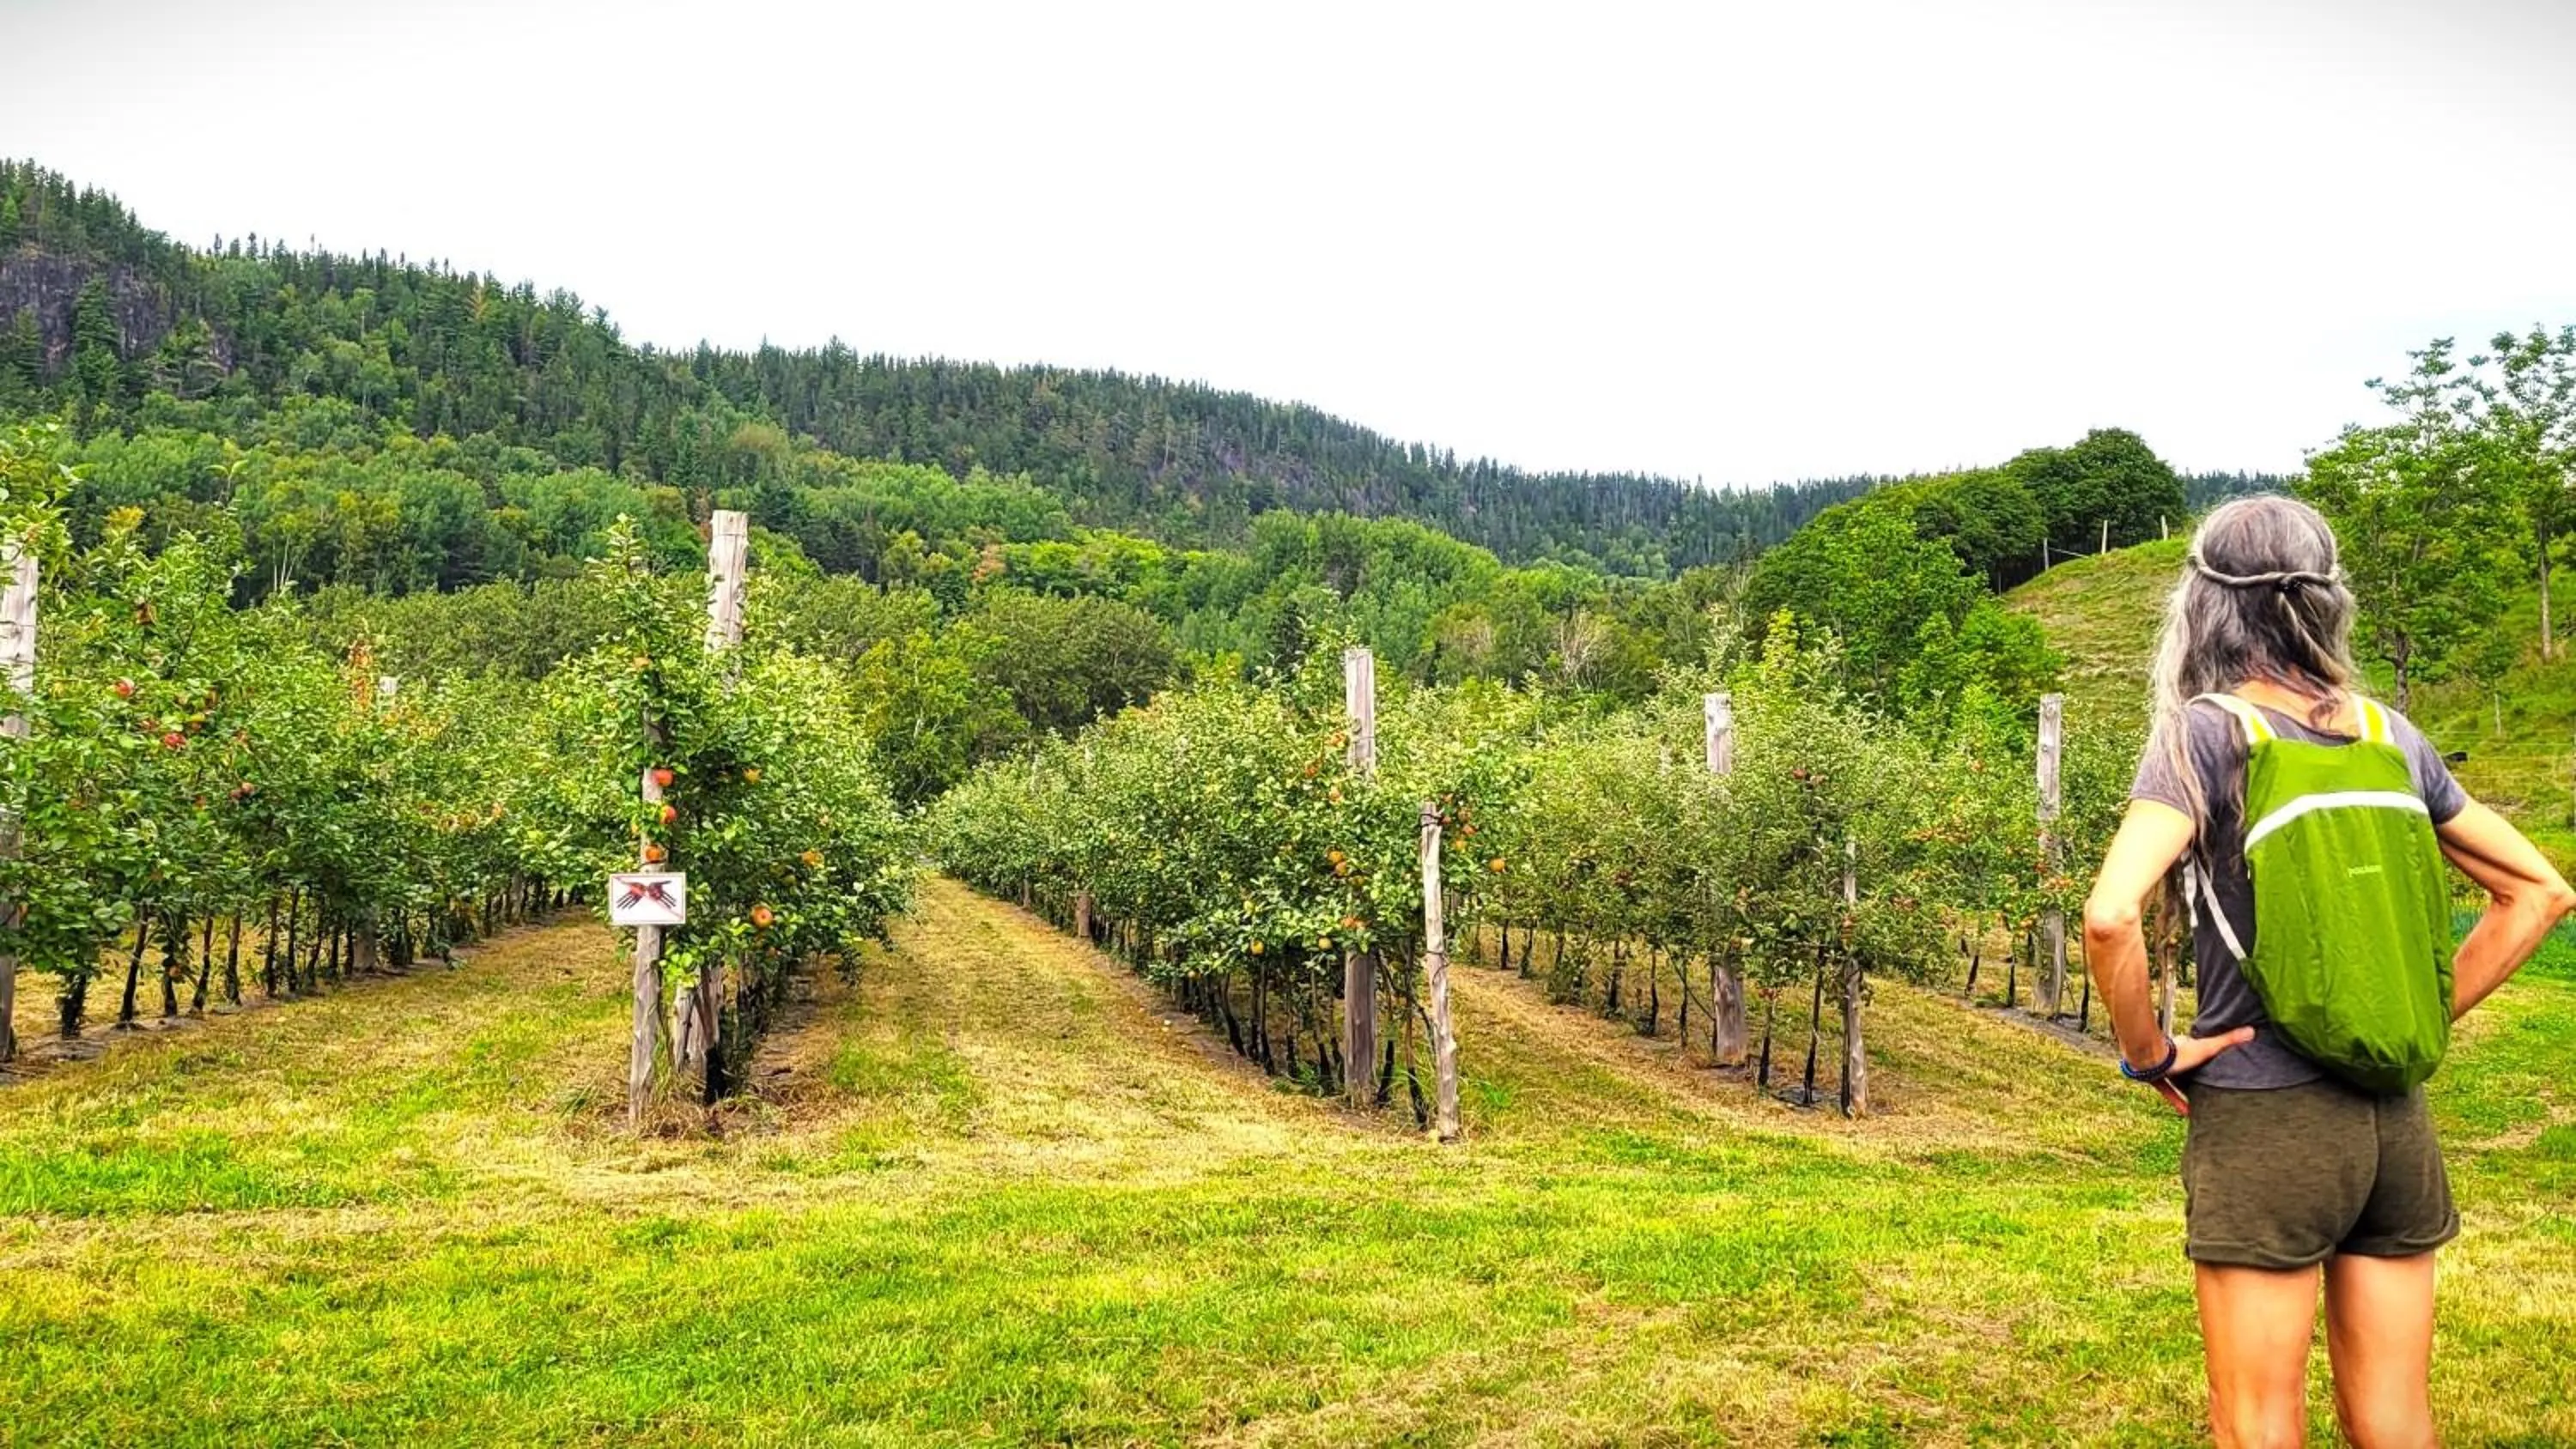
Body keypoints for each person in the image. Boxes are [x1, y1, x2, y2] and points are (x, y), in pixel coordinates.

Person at [2081, 494, 2574, 1449]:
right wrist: (2417, 1014)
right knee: (2396, 1419)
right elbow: (2540, 891)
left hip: (2266, 1116)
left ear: (2202, 603)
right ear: (2327, 600)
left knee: (2257, 1420)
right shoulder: (2390, 735)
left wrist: (2153, 1053)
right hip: (2395, 1121)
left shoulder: (2206, 733)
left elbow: (2110, 914)